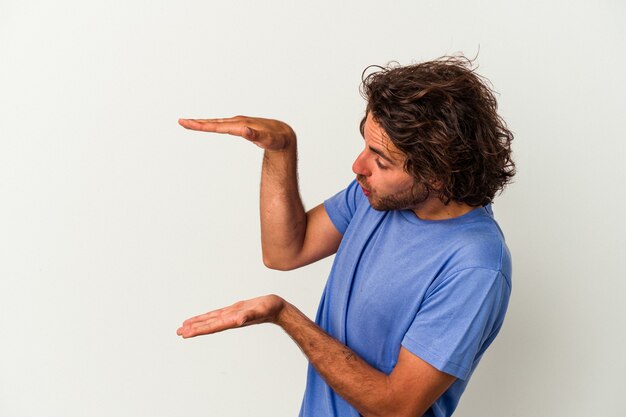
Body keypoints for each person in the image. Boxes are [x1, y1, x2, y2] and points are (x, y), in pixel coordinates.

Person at [176, 55, 515, 417]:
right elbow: (285, 251)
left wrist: (285, 315)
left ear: (437, 175)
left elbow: (395, 407)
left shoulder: (475, 267)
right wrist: (281, 150)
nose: (358, 167)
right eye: (366, 146)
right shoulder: (378, 197)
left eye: (381, 160)